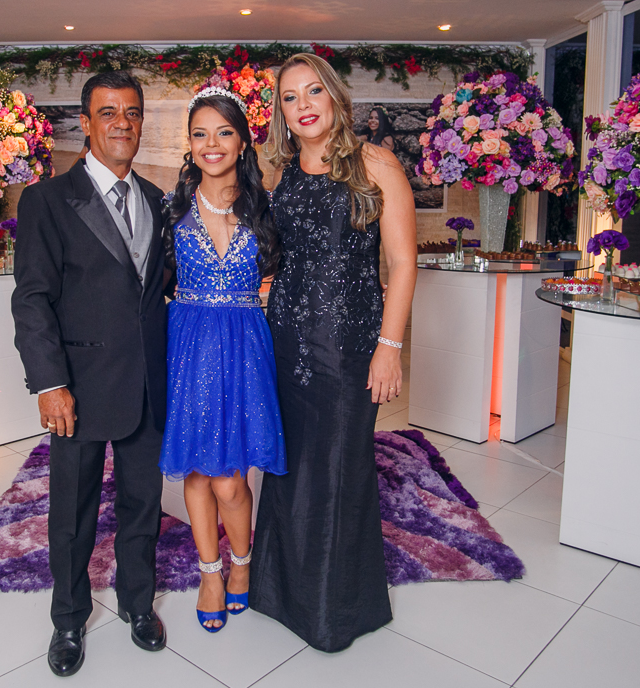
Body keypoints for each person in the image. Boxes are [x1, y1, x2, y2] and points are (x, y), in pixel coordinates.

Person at [249, 53, 418, 652]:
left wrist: (389, 348)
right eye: (290, 98)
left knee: (341, 467)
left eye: (313, 91)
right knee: (288, 463)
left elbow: (401, 264)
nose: (304, 106)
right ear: (280, 112)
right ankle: (278, 591)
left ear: (335, 97)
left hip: (349, 344)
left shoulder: (375, 163)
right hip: (285, 338)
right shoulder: (282, 170)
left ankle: (335, 611)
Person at [12, 70, 168, 678]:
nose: (122, 123)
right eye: (109, 113)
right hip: (76, 387)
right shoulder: (48, 200)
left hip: (148, 383)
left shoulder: (157, 199)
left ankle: (137, 604)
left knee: (143, 503)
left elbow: (160, 293)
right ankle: (69, 619)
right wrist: (50, 383)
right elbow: (32, 298)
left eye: (131, 112)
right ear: (86, 121)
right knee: (72, 512)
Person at [158, 88, 286, 633]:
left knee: (231, 479)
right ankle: (211, 573)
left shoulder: (265, 207)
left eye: (224, 132)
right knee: (195, 470)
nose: (212, 144)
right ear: (189, 143)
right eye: (201, 133)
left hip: (243, 345)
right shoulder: (171, 209)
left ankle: (241, 563)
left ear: (242, 141)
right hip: (188, 345)